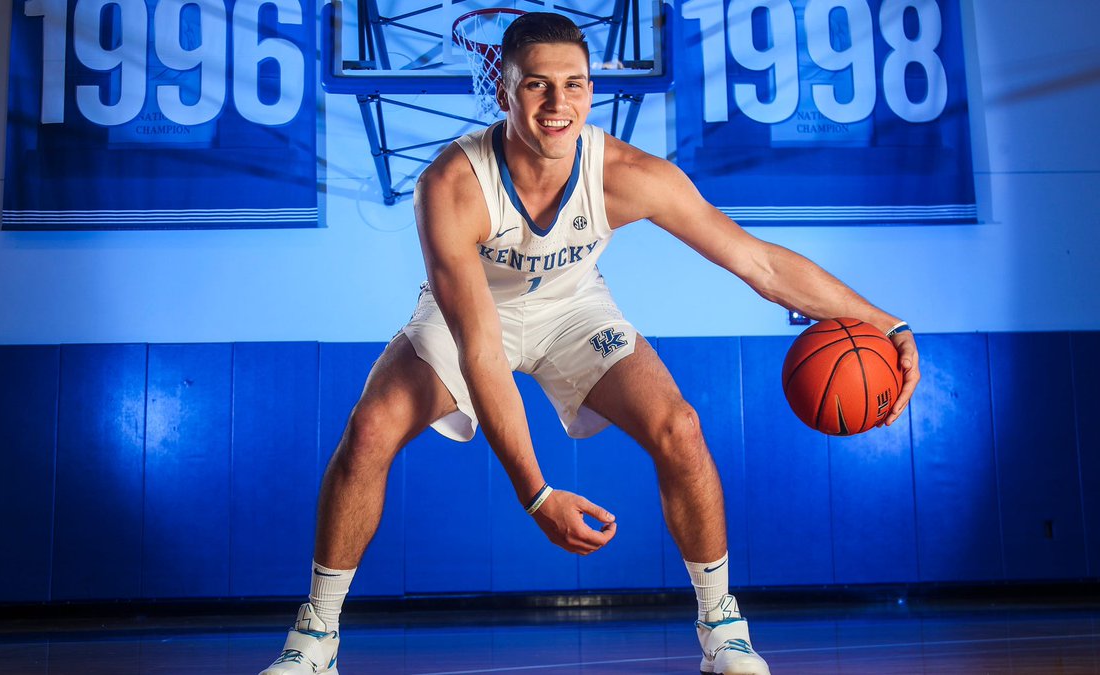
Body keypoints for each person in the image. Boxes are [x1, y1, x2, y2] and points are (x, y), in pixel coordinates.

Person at [261, 12, 920, 675]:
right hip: (471, 314)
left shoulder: (626, 173)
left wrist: (888, 323)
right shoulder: (451, 184)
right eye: (537, 86)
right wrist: (537, 493)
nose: (559, 104)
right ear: (503, 91)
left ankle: (723, 629)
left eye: (575, 84)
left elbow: (762, 265)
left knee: (681, 428)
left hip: (573, 306)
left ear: (592, 89)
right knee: (370, 428)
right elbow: (483, 348)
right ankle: (314, 639)